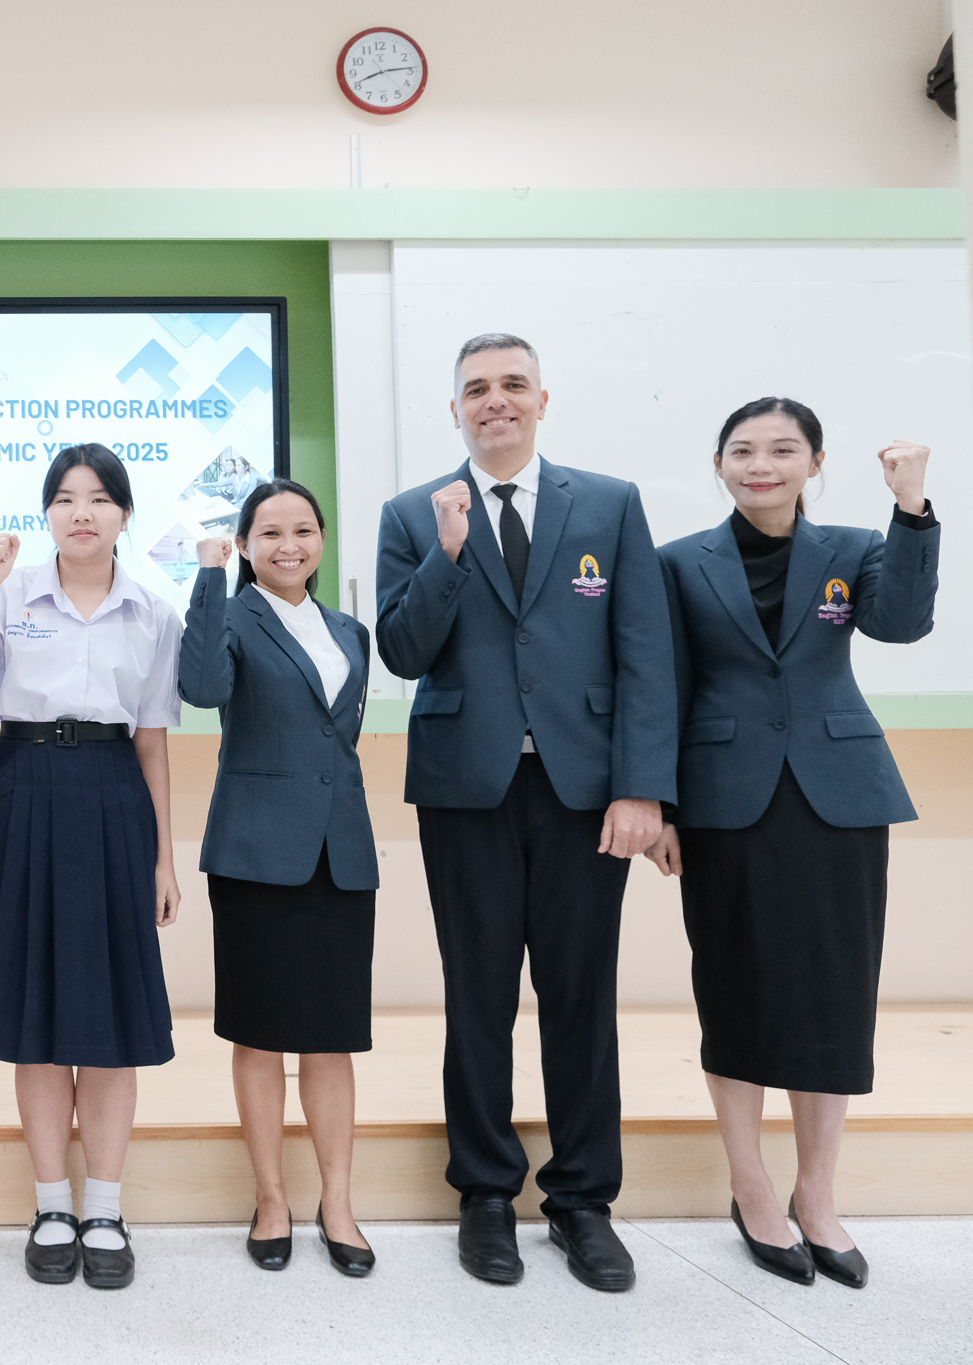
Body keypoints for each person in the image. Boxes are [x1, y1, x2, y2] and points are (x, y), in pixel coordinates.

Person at [374, 334, 675, 1293]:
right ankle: (486, 1193)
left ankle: (583, 1199)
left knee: (582, 993)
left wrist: (643, 785)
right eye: (476, 389)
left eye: (512, 384)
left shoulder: (610, 503)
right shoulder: (413, 514)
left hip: (586, 791)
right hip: (467, 787)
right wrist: (448, 554)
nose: (494, 400)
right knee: (478, 993)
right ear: (454, 410)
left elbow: (645, 650)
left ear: (544, 398)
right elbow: (404, 651)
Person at [647, 400, 938, 1290]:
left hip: (838, 796)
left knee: (833, 997)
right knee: (734, 989)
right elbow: (661, 687)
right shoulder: (677, 561)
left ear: (815, 462)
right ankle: (752, 1188)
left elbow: (902, 623)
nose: (760, 464)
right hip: (722, 799)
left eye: (782, 449)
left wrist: (912, 507)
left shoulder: (854, 546)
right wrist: (660, 804)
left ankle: (817, 1194)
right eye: (742, 449)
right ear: (718, 463)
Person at [0, 443, 181, 1291]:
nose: (82, 511)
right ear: (47, 513)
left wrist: (164, 856)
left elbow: (152, 740)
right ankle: (51, 1203)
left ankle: (105, 1207)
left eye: (100, 497)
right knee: (37, 1005)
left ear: (124, 514)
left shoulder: (153, 610)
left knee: (110, 1008)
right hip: (25, 792)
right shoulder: (9, 594)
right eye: (66, 498)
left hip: (114, 793)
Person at [179, 478, 379, 1278]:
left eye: (302, 530)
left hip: (341, 851)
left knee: (332, 1038)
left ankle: (339, 1202)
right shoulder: (231, 616)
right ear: (245, 544)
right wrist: (207, 576)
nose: (288, 544)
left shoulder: (349, 630)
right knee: (260, 1034)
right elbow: (201, 689)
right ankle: (270, 1199)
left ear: (321, 539)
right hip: (257, 853)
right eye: (269, 532)